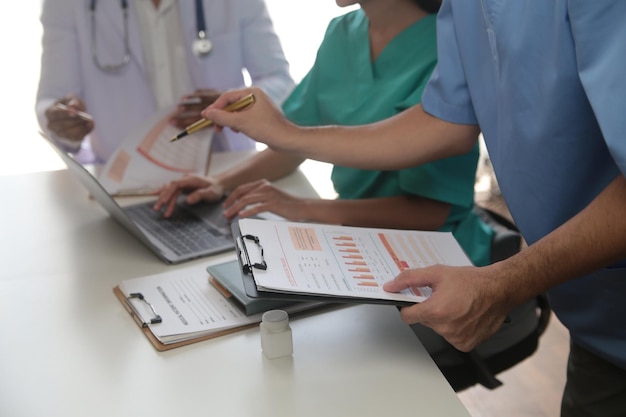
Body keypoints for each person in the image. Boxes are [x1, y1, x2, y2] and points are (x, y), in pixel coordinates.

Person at [196, 1, 626, 415]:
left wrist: (505, 283)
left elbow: (433, 199)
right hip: (594, 313)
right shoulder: (456, 12)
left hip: (534, 277)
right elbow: (446, 121)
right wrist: (283, 138)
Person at [154, 0, 495, 267]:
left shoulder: (444, 52)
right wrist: (220, 183)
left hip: (431, 253)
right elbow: (292, 142)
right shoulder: (342, 32)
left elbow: (429, 212)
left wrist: (305, 208)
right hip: (351, 238)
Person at [35, 0, 294, 164]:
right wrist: (63, 122)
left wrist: (232, 104)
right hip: (121, 181)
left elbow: (281, 83)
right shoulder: (66, 4)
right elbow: (51, 99)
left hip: (225, 169)